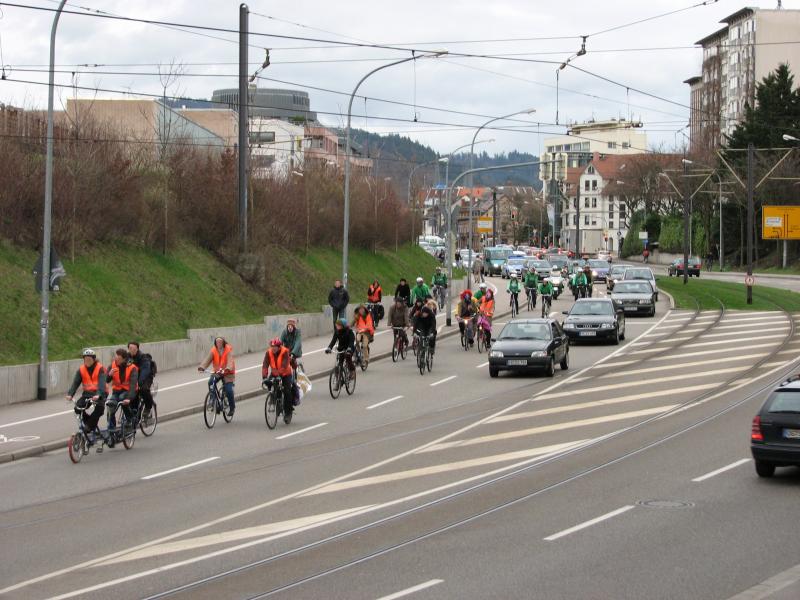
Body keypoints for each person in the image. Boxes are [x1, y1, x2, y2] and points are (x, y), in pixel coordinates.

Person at [65, 348, 107, 446]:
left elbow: (102, 384)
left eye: (89, 359)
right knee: (77, 408)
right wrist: (70, 394)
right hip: (87, 394)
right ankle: (90, 424)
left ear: (94, 359)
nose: (87, 361)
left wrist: (98, 394)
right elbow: (75, 383)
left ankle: (89, 426)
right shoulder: (81, 370)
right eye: (85, 359)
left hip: (100, 393)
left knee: (99, 409)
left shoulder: (100, 368)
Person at [105, 348, 139, 446]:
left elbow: (133, 384)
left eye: (119, 359)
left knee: (123, 400)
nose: (116, 360)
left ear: (124, 359)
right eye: (116, 358)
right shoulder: (112, 365)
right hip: (116, 391)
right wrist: (109, 375)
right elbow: (106, 380)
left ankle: (130, 419)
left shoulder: (132, 367)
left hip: (128, 391)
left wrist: (129, 398)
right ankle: (111, 431)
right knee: (110, 405)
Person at [197, 336, 236, 416]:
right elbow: (207, 359)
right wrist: (202, 367)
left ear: (223, 343)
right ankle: (212, 399)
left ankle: (232, 408)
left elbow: (230, 361)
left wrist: (228, 368)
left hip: (228, 373)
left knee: (229, 390)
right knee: (211, 382)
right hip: (218, 372)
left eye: (220, 342)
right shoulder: (214, 350)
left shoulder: (228, 350)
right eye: (217, 342)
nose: (218, 344)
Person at [262, 338, 294, 424]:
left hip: (285, 374)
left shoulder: (285, 351)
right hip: (275, 373)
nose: (273, 348)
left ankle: (288, 412)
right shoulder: (268, 353)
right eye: (272, 346)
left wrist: (280, 375)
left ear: (279, 347)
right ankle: (273, 399)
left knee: (287, 392)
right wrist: (264, 377)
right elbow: (265, 365)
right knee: (269, 383)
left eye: (275, 347)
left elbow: (284, 364)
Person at [127, 341, 155, 421]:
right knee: (131, 394)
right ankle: (135, 415)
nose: (131, 350)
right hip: (134, 377)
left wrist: (139, 383)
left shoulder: (143, 357)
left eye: (133, 348)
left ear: (137, 349)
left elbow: (145, 371)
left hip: (146, 377)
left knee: (143, 389)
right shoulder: (127, 357)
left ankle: (148, 407)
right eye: (130, 348)